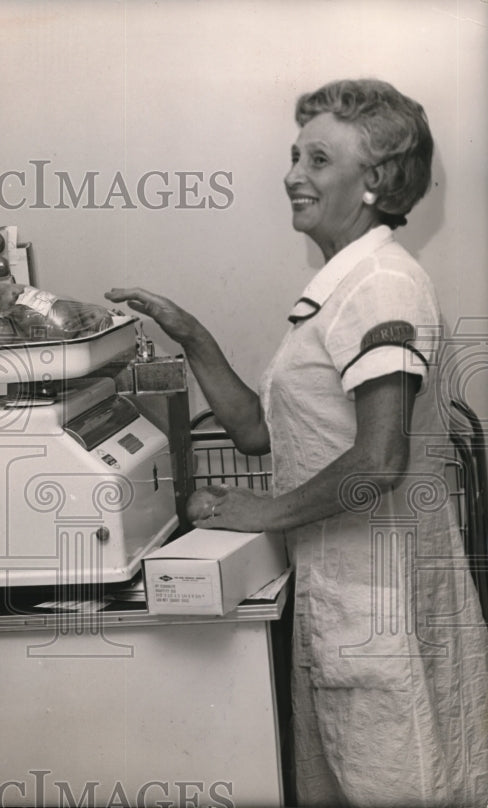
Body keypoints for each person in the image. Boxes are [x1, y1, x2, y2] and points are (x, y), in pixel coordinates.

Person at [108, 79, 488, 806]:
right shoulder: (338, 289)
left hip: (383, 601)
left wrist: (264, 514)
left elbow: (379, 461)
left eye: (318, 159)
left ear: (374, 180)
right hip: (347, 595)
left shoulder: (381, 287)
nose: (292, 175)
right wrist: (190, 334)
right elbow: (257, 432)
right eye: (294, 155)